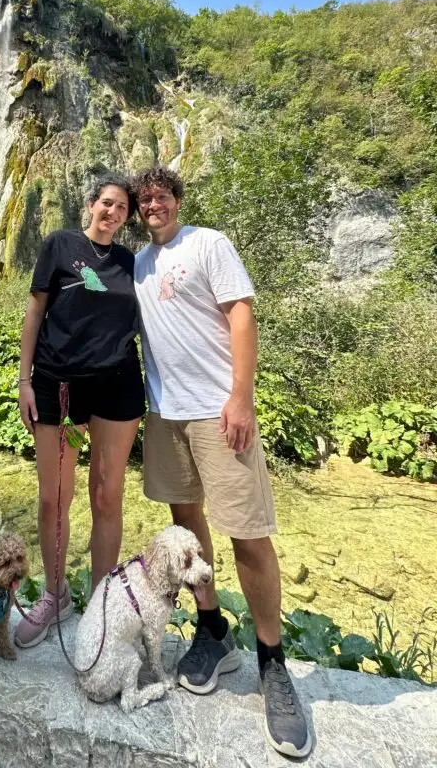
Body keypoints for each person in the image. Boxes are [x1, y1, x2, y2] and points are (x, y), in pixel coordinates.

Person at [132, 166, 311, 759]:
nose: (152, 205)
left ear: (177, 201)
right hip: (165, 414)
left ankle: (273, 662)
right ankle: (212, 628)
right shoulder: (137, 263)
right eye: (143, 200)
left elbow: (240, 314)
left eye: (160, 196)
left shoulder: (208, 243)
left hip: (217, 412)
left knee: (249, 535)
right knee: (189, 531)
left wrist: (241, 395)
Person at [14, 174, 145, 648]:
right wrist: (24, 380)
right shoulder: (60, 245)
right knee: (54, 496)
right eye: (107, 203)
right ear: (91, 205)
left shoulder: (133, 261)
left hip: (116, 385)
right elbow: (35, 312)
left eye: (122, 208)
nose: (113, 212)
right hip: (58, 385)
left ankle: (101, 604)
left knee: (107, 496)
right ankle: (55, 594)